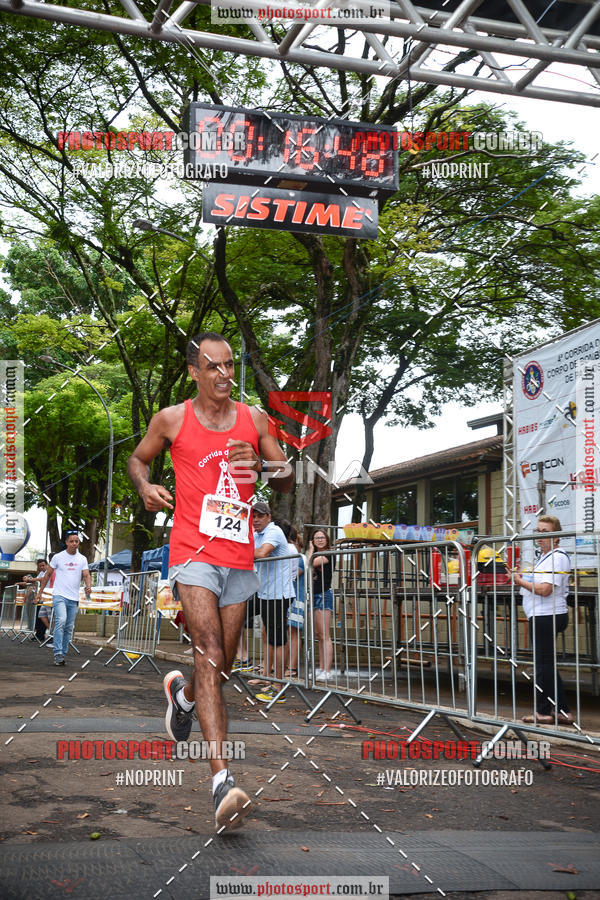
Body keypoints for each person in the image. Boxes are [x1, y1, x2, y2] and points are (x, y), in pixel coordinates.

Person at [127, 332, 293, 831]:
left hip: (238, 556)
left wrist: (261, 464)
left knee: (222, 665)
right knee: (208, 651)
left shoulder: (254, 419)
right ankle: (222, 780)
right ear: (194, 373)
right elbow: (138, 459)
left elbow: (286, 475)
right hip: (192, 554)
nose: (224, 375)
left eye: (229, 366)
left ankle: (183, 698)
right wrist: (145, 485)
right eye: (213, 367)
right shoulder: (171, 420)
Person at [510, 514, 574, 725]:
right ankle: (563, 711)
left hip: (548, 615)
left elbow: (545, 590)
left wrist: (520, 581)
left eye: (545, 532)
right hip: (544, 615)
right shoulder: (547, 556)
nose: (540, 536)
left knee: (542, 666)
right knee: (546, 665)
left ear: (556, 536)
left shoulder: (558, 557)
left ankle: (543, 712)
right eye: (538, 531)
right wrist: (524, 578)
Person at [252, 503, 296, 703]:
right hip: (265, 593)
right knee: (268, 636)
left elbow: (261, 554)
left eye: (260, 516)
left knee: (278, 640)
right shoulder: (257, 534)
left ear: (269, 516)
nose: (255, 519)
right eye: (253, 516)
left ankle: (278, 687)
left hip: (279, 595)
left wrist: (235, 549)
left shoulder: (274, 531)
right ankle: (267, 677)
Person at [38, 533, 91, 665]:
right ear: (66, 542)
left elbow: (86, 574)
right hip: (59, 595)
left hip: (73, 598)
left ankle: (63, 653)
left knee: (69, 627)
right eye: (72, 541)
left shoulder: (82, 559)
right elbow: (48, 574)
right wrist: (40, 592)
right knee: (61, 620)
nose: (74, 543)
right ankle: (57, 653)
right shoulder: (58, 557)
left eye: (77, 541)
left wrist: (88, 586)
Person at [307, 529, 336, 681]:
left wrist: (311, 549)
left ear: (327, 540)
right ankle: (321, 668)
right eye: (316, 538)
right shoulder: (317, 554)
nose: (319, 540)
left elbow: (310, 563)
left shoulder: (329, 554)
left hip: (324, 595)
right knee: (319, 635)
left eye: (322, 537)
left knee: (325, 635)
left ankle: (328, 670)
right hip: (314, 595)